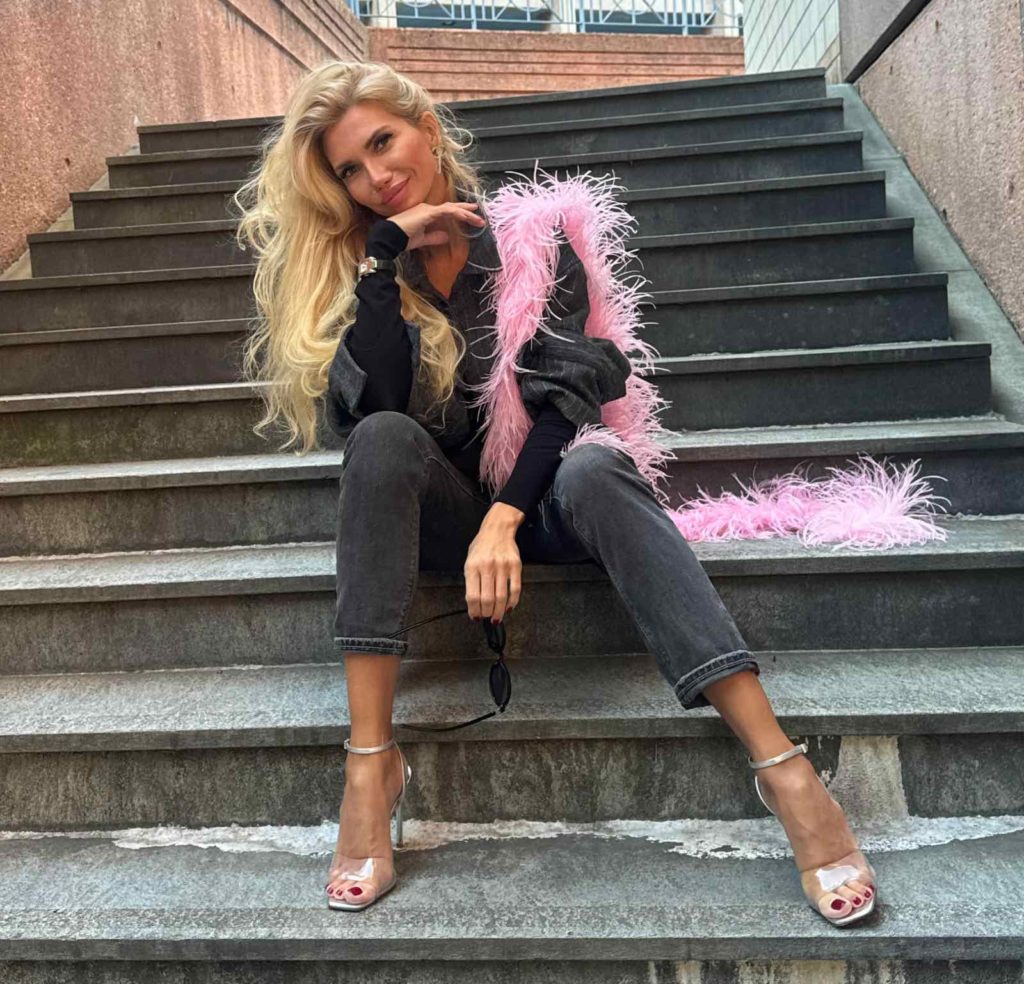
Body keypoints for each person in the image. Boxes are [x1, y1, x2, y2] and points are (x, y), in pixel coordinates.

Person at [233, 60, 878, 924]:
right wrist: (383, 260)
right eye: (351, 168)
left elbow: (568, 401)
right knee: (383, 436)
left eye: (383, 142)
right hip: (442, 514)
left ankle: (782, 766)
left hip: (546, 501)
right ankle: (370, 764)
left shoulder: (538, 235)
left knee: (597, 464)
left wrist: (504, 519)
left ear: (427, 127)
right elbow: (377, 410)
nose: (376, 175)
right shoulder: (370, 269)